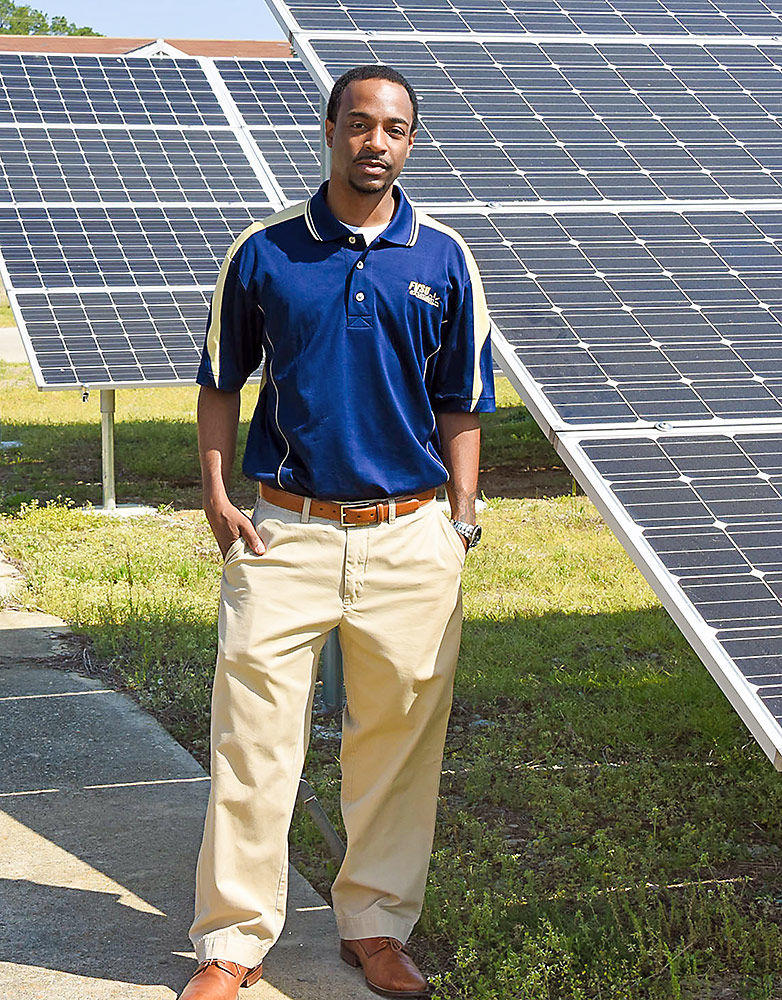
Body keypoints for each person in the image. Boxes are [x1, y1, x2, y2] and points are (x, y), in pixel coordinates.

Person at [179, 63, 495, 1000]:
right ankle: (233, 941)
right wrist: (215, 494)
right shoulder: (266, 252)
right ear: (329, 130)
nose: (376, 142)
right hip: (285, 534)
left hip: (410, 536)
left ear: (410, 142)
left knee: (396, 744)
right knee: (252, 743)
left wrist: (462, 521)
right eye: (360, 124)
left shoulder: (443, 257)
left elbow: (462, 400)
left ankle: (376, 925)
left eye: (395, 129)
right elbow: (220, 382)